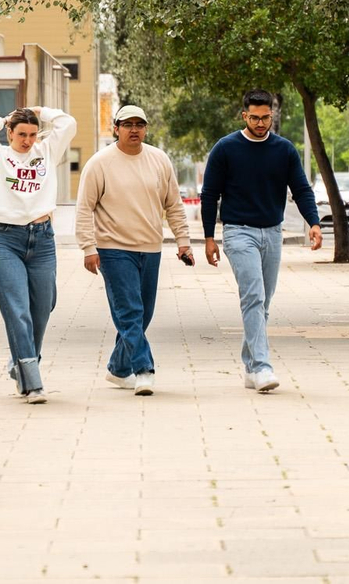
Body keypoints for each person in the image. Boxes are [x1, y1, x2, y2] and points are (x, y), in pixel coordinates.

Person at [200, 90, 323, 394]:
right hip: (238, 231)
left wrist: (315, 222)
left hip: (272, 232)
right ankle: (262, 367)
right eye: (254, 117)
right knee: (253, 296)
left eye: (265, 117)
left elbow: (302, 190)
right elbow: (209, 194)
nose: (260, 122)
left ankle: (249, 363)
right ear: (244, 116)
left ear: (272, 115)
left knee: (263, 303)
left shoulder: (284, 150)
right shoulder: (226, 148)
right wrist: (208, 237)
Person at [75, 104, 192, 396]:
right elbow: (84, 208)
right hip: (113, 248)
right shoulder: (100, 163)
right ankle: (144, 369)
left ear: (146, 128)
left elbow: (174, 205)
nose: (134, 129)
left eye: (140, 124)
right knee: (129, 311)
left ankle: (118, 369)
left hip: (151, 247)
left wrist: (183, 242)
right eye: (128, 124)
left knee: (143, 314)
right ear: (116, 128)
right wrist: (88, 247)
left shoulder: (159, 160)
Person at [0, 104, 76, 405]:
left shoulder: (46, 152)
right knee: (18, 311)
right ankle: (33, 381)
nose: (27, 140)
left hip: (42, 240)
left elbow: (68, 123)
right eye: (21, 134)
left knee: (42, 308)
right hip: (6, 241)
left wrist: (42, 110)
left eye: (32, 134)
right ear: (10, 133)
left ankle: (20, 365)